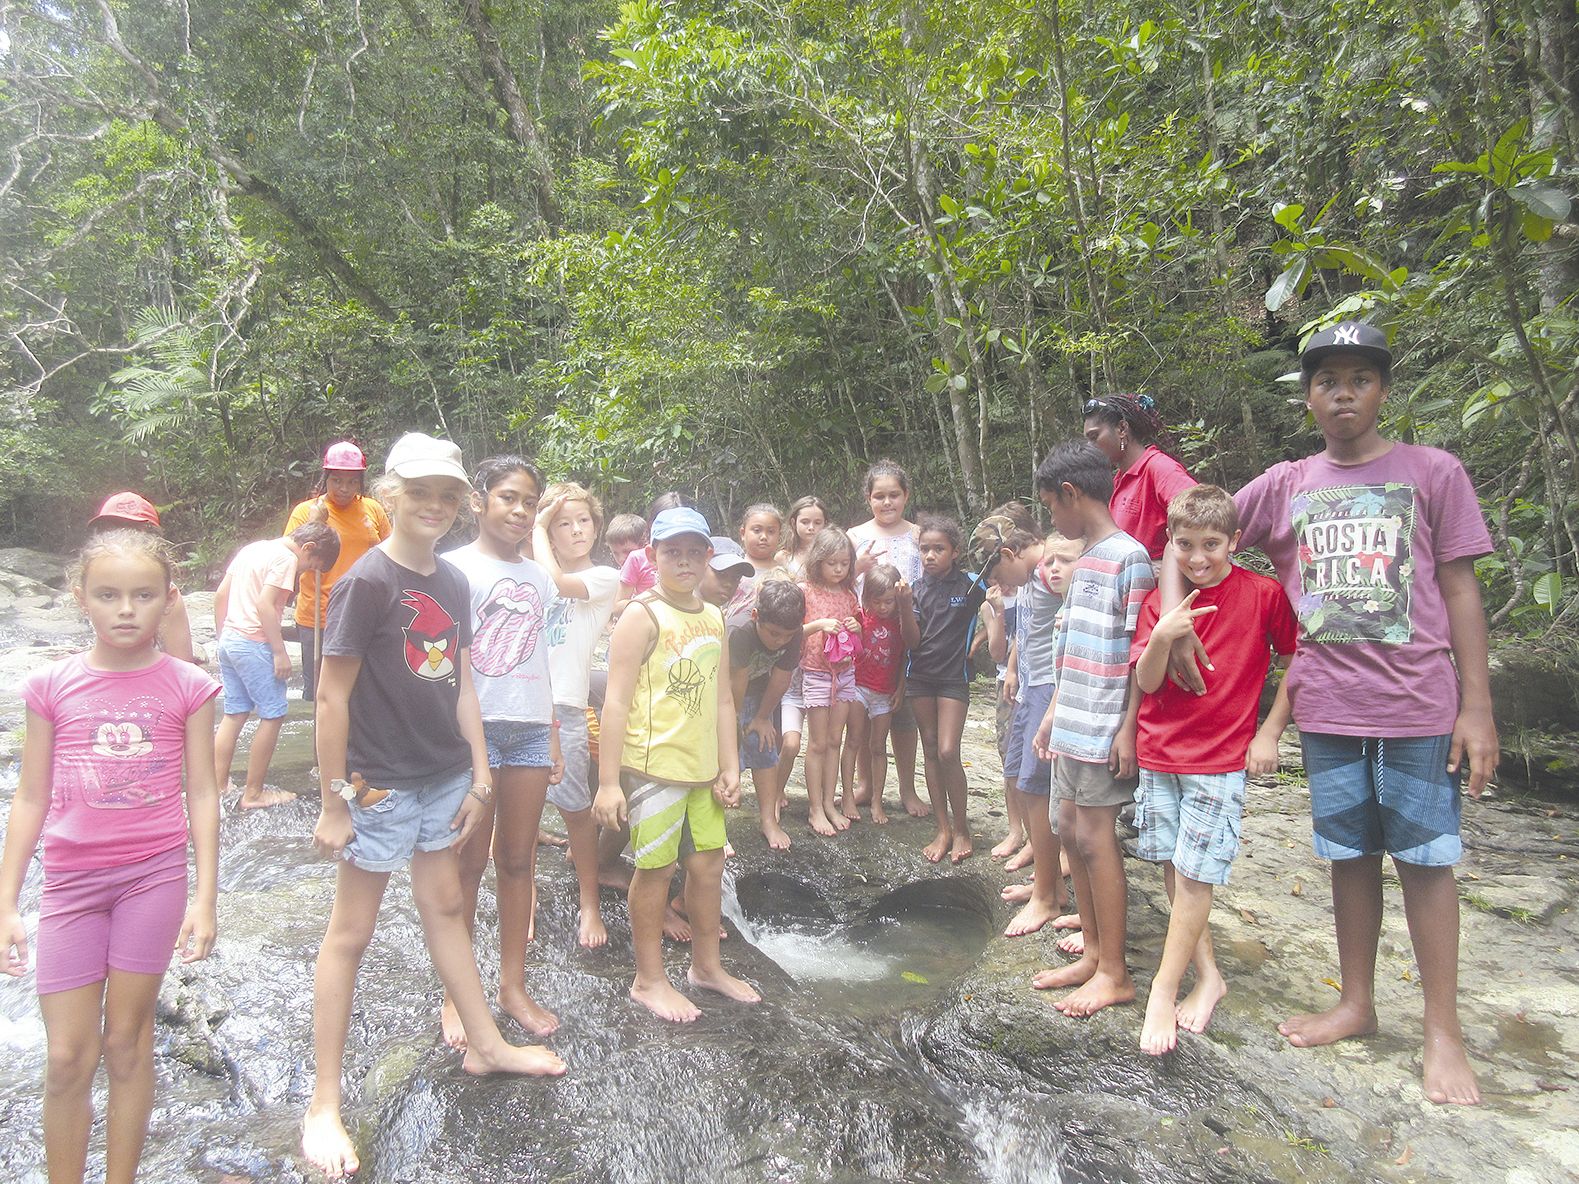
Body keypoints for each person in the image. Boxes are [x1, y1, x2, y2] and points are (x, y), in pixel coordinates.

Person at [1227, 321, 1498, 1105]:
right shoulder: (1284, 483)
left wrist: (1477, 707)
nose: (1342, 394)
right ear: (1307, 397)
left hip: (1418, 704)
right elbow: (1196, 535)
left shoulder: (1432, 472)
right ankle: (1356, 1002)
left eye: (1358, 380)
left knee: (1424, 859)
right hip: (1326, 705)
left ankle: (1441, 1031)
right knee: (1347, 854)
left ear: (1381, 391)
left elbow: (1459, 590)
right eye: (1326, 382)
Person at [302, 432, 564, 1180]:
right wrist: (333, 802)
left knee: (446, 905)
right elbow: (330, 696)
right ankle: (323, 1102)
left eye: (446, 495)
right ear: (391, 495)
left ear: (460, 503)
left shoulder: (451, 580)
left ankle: (487, 1043)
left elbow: (464, 684)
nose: (434, 506)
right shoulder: (367, 582)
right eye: (419, 492)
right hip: (380, 783)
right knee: (350, 933)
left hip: (445, 775)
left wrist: (480, 774)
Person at [0, 528, 221, 1184]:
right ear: (81, 598)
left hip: (152, 879)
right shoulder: (50, 686)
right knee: (68, 1056)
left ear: (169, 599)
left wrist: (206, 896)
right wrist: (7, 903)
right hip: (70, 885)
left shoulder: (188, 686)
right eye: (108, 595)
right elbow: (30, 797)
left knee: (127, 1042)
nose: (126, 609)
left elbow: (203, 793)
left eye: (143, 595)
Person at [1130, 485, 1298, 1055]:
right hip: (1159, 750)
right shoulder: (1161, 601)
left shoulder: (1263, 594)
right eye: (1185, 545)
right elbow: (1147, 680)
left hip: (1220, 756)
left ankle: (1163, 989)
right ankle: (1208, 976)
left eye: (1211, 544)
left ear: (1235, 541)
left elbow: (1295, 657)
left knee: (1195, 876)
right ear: (1170, 543)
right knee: (1175, 867)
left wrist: (1270, 731)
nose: (1198, 558)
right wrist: (1162, 635)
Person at [593, 506, 758, 1023]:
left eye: (693, 552)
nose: (683, 562)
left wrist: (730, 765)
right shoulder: (641, 615)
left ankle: (706, 967)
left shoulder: (714, 617)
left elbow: (724, 700)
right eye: (672, 552)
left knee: (707, 866)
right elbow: (614, 702)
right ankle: (649, 979)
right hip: (653, 768)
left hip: (702, 769)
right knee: (657, 869)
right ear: (652, 556)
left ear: (708, 556)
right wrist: (608, 783)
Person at [1032, 441, 1156, 1018]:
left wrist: (1128, 727)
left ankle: (1115, 971)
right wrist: (1053, 714)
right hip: (1072, 722)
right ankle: (1094, 952)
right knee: (1067, 828)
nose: (1051, 519)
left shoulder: (1129, 558)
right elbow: (1071, 649)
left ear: (1071, 494)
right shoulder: (1084, 559)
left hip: (1104, 724)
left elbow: (1139, 651)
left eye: (1050, 507)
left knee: (1095, 840)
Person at [444, 456, 563, 1049]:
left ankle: (513, 987)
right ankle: (457, 994)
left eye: (529, 502)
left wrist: (553, 730)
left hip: (530, 729)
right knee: (466, 864)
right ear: (479, 501)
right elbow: (446, 663)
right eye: (508, 498)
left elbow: (544, 657)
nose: (519, 511)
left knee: (518, 862)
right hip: (475, 731)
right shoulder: (452, 569)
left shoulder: (541, 578)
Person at [533, 481, 621, 948]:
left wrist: (538, 526)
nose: (576, 530)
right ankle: (523, 895)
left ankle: (590, 903)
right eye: (563, 524)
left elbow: (558, 583)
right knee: (517, 810)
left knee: (575, 809)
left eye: (583, 520)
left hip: (566, 705)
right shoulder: (530, 573)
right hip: (522, 702)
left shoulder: (603, 577)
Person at [976, 517, 1072, 937]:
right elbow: (1026, 630)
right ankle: (1048, 883)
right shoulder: (1031, 577)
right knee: (1019, 777)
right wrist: (1013, 668)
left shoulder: (1053, 570)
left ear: (1008, 553)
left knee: (1037, 786)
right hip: (1029, 686)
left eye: (998, 573)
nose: (999, 583)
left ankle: (1047, 896)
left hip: (1049, 687)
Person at [212, 522, 340, 808]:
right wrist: (279, 652)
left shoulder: (252, 549)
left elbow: (221, 595)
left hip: (231, 639)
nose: (305, 572)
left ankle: (218, 786)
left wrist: (224, 637)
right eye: (311, 566)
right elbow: (265, 605)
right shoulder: (286, 558)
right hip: (255, 642)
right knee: (273, 714)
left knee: (234, 713)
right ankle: (254, 793)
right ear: (307, 548)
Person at [908, 515, 992, 863]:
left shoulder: (972, 584)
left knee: (947, 750)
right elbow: (911, 640)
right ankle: (942, 828)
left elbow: (1002, 604)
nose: (930, 555)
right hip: (919, 676)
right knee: (929, 748)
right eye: (924, 549)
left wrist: (981, 637)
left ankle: (962, 828)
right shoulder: (915, 589)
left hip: (954, 677)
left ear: (955, 552)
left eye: (938, 549)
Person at [283, 442, 392, 701]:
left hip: (363, 611)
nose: (344, 488)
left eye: (352, 482)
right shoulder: (306, 511)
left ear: (360, 483)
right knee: (319, 692)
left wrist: (374, 539)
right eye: (337, 481)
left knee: (362, 690)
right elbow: (288, 560)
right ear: (326, 479)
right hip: (317, 613)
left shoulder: (373, 509)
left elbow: (391, 555)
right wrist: (314, 525)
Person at [849, 461, 926, 818]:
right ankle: (865, 784)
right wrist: (857, 567)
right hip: (866, 633)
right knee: (863, 719)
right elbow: (841, 577)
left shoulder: (918, 535)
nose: (887, 502)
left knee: (904, 715)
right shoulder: (855, 536)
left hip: (908, 630)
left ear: (906, 495)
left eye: (894, 494)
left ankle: (908, 788)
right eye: (879, 496)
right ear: (868, 498)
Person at [727, 579, 805, 849]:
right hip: (724, 693)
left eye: (787, 636)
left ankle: (769, 820)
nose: (780, 641)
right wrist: (733, 726)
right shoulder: (739, 631)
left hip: (760, 691)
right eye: (773, 634)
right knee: (725, 758)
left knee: (765, 748)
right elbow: (736, 684)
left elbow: (782, 678)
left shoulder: (794, 632)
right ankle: (716, 830)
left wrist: (762, 717)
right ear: (755, 616)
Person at [797, 526, 863, 836]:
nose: (838, 569)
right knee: (818, 743)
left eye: (844, 564)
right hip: (816, 673)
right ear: (817, 561)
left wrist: (856, 627)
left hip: (845, 673)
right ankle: (814, 808)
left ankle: (828, 802)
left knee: (835, 740)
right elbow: (793, 633)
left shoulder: (849, 595)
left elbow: (857, 634)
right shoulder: (805, 591)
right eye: (831, 563)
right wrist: (819, 624)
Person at [1082, 394, 1197, 562]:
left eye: (1094, 437)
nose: (1090, 447)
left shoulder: (1159, 468)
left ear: (1122, 429)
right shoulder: (1118, 481)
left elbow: (1203, 517)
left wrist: (1166, 567)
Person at [87, 492, 196, 663]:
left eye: (130, 529)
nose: (121, 536)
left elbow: (183, 662)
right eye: (112, 528)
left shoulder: (163, 595)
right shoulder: (92, 585)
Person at [842, 563, 907, 825]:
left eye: (889, 601)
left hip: (884, 692)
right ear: (867, 598)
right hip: (859, 686)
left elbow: (904, 658)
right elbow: (849, 649)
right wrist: (857, 632)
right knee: (853, 740)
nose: (882, 607)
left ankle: (877, 801)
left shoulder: (901, 622)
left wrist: (901, 688)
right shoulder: (860, 617)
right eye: (876, 601)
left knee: (879, 747)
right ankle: (848, 795)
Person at [701, 535, 756, 623]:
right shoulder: (679, 610)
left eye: (736, 578)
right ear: (702, 564)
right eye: (721, 574)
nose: (728, 584)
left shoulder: (718, 617)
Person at [775, 495, 827, 578]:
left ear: (825, 524)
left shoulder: (830, 555)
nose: (811, 527)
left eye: (817, 523)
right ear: (793, 523)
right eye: (805, 522)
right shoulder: (783, 557)